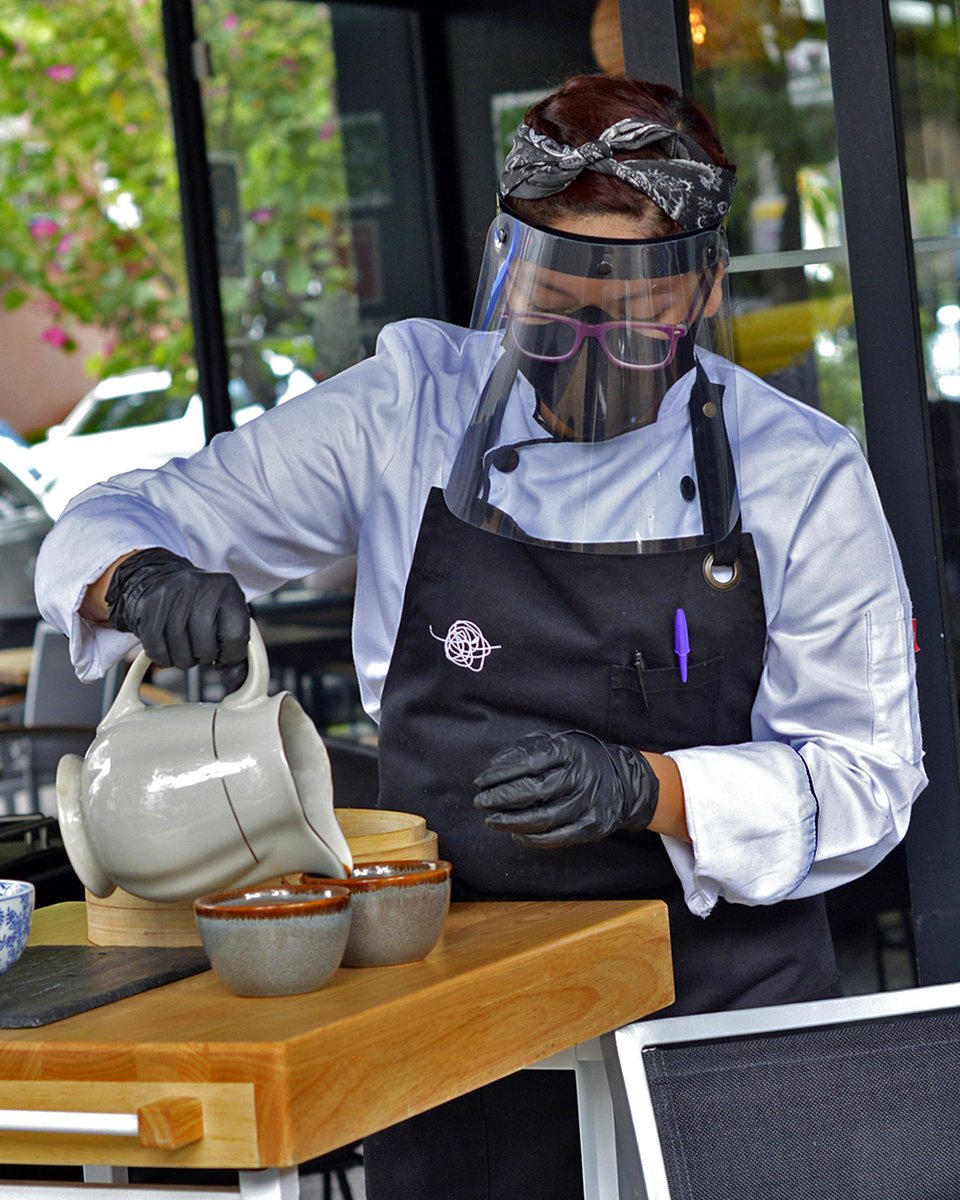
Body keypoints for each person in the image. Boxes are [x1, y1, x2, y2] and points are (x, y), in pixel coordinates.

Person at [35, 73, 925, 1200]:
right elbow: (126, 513)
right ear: (505, 265)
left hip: (719, 1020)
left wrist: (650, 789)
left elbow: (869, 779)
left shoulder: (799, 473)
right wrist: (141, 579)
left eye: (630, 317)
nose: (588, 347)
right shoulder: (407, 403)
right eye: (551, 308)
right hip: (453, 1009)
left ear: (700, 287)